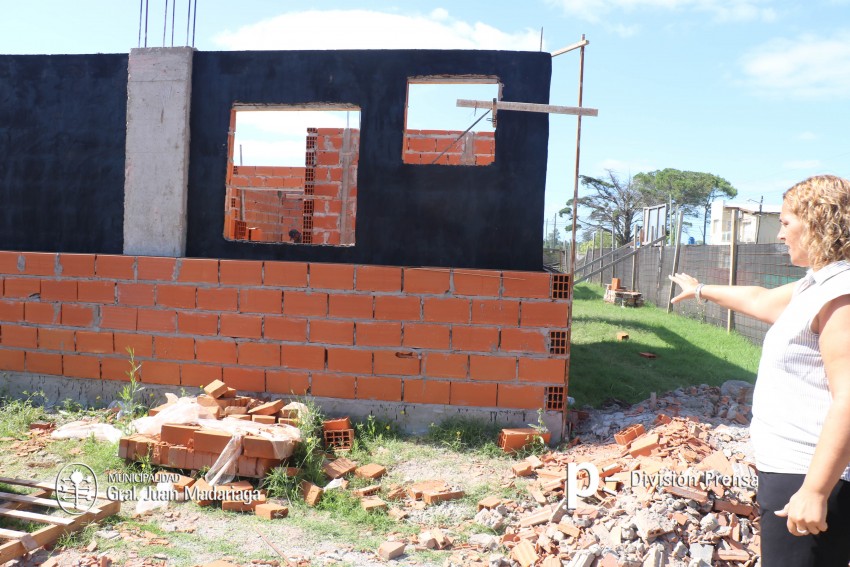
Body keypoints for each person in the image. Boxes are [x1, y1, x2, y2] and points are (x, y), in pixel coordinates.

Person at [669, 174, 850, 566]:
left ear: (819, 221)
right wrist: (701, 290)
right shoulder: (817, 284)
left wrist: (816, 491)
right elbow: (762, 299)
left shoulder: (842, 295)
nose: (780, 235)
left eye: (786, 223)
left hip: (811, 475)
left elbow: (849, 398)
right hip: (790, 470)